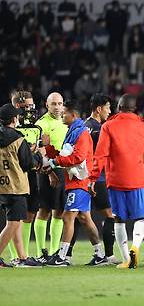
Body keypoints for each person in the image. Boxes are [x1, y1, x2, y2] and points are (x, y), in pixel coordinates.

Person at [45, 101, 107, 267]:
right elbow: (68, 153)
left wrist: (54, 161)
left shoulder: (81, 133)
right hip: (76, 181)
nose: (62, 115)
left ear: (73, 115)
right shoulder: (73, 131)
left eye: (64, 113)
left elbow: (78, 157)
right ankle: (100, 255)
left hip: (79, 181)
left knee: (67, 217)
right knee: (85, 218)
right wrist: (49, 149)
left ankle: (63, 256)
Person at [94, 94, 144, 269]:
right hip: (137, 177)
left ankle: (127, 259)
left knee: (118, 219)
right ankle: (136, 247)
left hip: (116, 178)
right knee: (140, 218)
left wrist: (92, 178)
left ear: (118, 107)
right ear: (135, 108)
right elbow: (143, 150)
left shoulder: (108, 126)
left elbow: (101, 155)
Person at [0, 104, 45, 268]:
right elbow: (28, 164)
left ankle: (22, 257)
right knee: (13, 224)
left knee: (14, 222)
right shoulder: (18, 139)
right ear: (14, 119)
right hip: (16, 186)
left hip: (2, 185)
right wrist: (38, 155)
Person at [34, 92, 68, 263]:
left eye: (60, 103)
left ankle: (55, 253)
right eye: (53, 104)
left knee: (59, 213)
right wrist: (50, 172)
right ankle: (41, 253)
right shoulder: (41, 124)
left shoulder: (66, 122)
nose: (57, 107)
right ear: (47, 105)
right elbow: (39, 152)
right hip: (47, 172)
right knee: (44, 211)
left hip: (64, 171)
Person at [85, 94, 117, 263]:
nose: (109, 111)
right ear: (99, 109)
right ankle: (109, 256)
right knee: (110, 215)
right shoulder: (100, 129)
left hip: (83, 177)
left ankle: (65, 255)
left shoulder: (84, 125)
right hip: (98, 178)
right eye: (108, 107)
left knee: (79, 216)